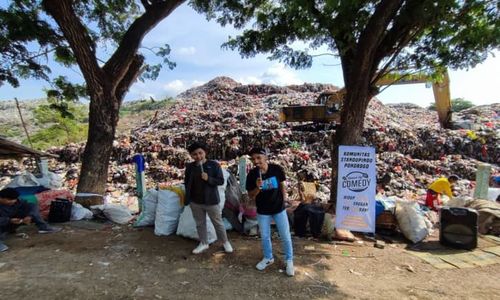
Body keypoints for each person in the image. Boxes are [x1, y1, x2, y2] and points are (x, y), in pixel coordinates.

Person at [246, 147, 294, 277]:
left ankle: (289, 260)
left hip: (279, 209)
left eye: (258, 158)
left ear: (265, 157)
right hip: (263, 211)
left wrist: (284, 200)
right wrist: (258, 187)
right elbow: (251, 195)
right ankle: (268, 257)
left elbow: (282, 185)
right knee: (265, 236)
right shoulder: (252, 174)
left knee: (285, 235)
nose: (256, 161)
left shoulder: (276, 169)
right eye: (253, 159)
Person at [184, 142, 233, 254]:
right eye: (194, 154)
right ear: (191, 156)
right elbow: (187, 182)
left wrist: (208, 178)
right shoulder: (190, 167)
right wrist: (188, 198)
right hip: (195, 201)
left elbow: (220, 181)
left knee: (218, 223)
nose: (198, 156)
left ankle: (225, 242)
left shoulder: (214, 165)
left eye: (200, 153)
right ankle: (204, 243)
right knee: (200, 223)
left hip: (211, 201)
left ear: (205, 152)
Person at [0, 188, 61, 252]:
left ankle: (44, 227)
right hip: (4, 222)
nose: (13, 201)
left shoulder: (17, 201)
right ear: (1, 198)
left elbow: (31, 206)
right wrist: (9, 220)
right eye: (10, 200)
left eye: (14, 200)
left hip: (12, 222)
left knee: (32, 206)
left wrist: (29, 216)